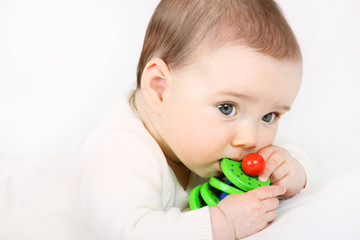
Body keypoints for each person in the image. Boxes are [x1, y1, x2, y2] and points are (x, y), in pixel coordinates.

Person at [0, 0, 312, 239]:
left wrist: (291, 169)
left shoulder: (223, 139)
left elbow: (290, 155)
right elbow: (132, 232)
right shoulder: (116, 151)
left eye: (270, 116)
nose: (252, 139)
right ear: (159, 89)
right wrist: (222, 223)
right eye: (227, 108)